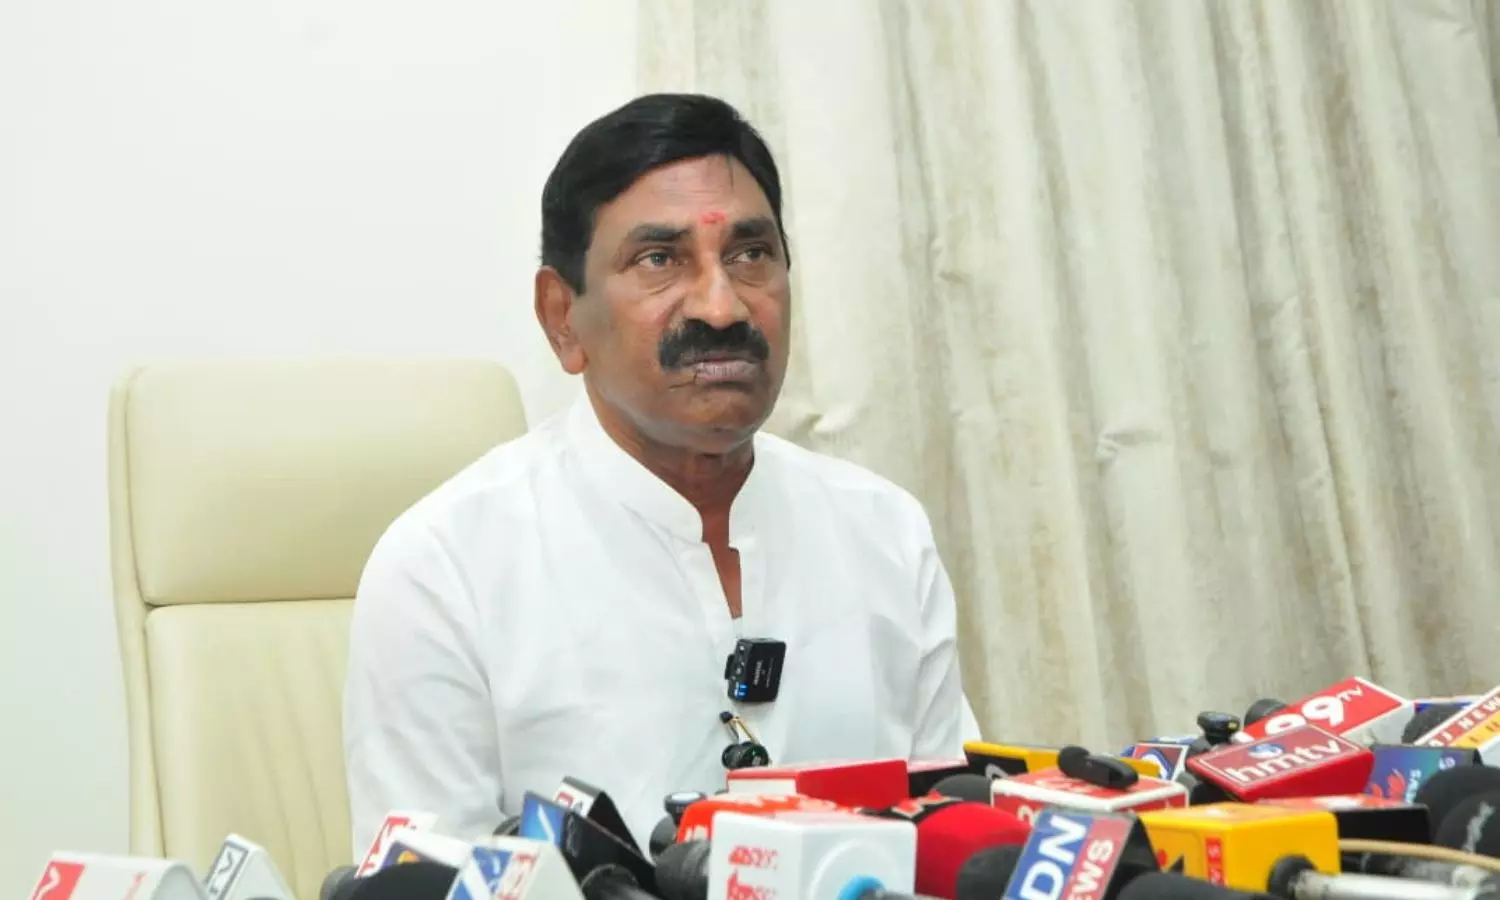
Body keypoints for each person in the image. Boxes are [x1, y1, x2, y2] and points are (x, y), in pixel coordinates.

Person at [342, 92, 980, 855]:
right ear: (562, 316)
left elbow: (956, 840)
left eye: (751, 254)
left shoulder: (883, 531)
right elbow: (425, 878)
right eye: (659, 260)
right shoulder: (447, 568)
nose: (721, 307)